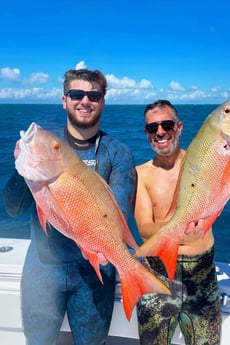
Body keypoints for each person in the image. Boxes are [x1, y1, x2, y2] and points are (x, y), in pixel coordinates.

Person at [3, 69, 136, 345]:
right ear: (64, 100)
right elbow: (13, 209)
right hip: (42, 272)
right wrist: (22, 168)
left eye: (94, 95)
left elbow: (117, 215)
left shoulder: (118, 153)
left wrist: (109, 252)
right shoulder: (45, 148)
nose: (84, 101)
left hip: (94, 277)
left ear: (103, 101)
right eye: (76, 94)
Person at [133, 100, 230, 345]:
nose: (160, 132)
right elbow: (145, 228)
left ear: (179, 127)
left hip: (201, 274)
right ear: (147, 133)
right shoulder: (141, 174)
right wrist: (177, 230)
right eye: (152, 128)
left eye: (167, 124)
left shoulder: (207, 158)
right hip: (158, 276)